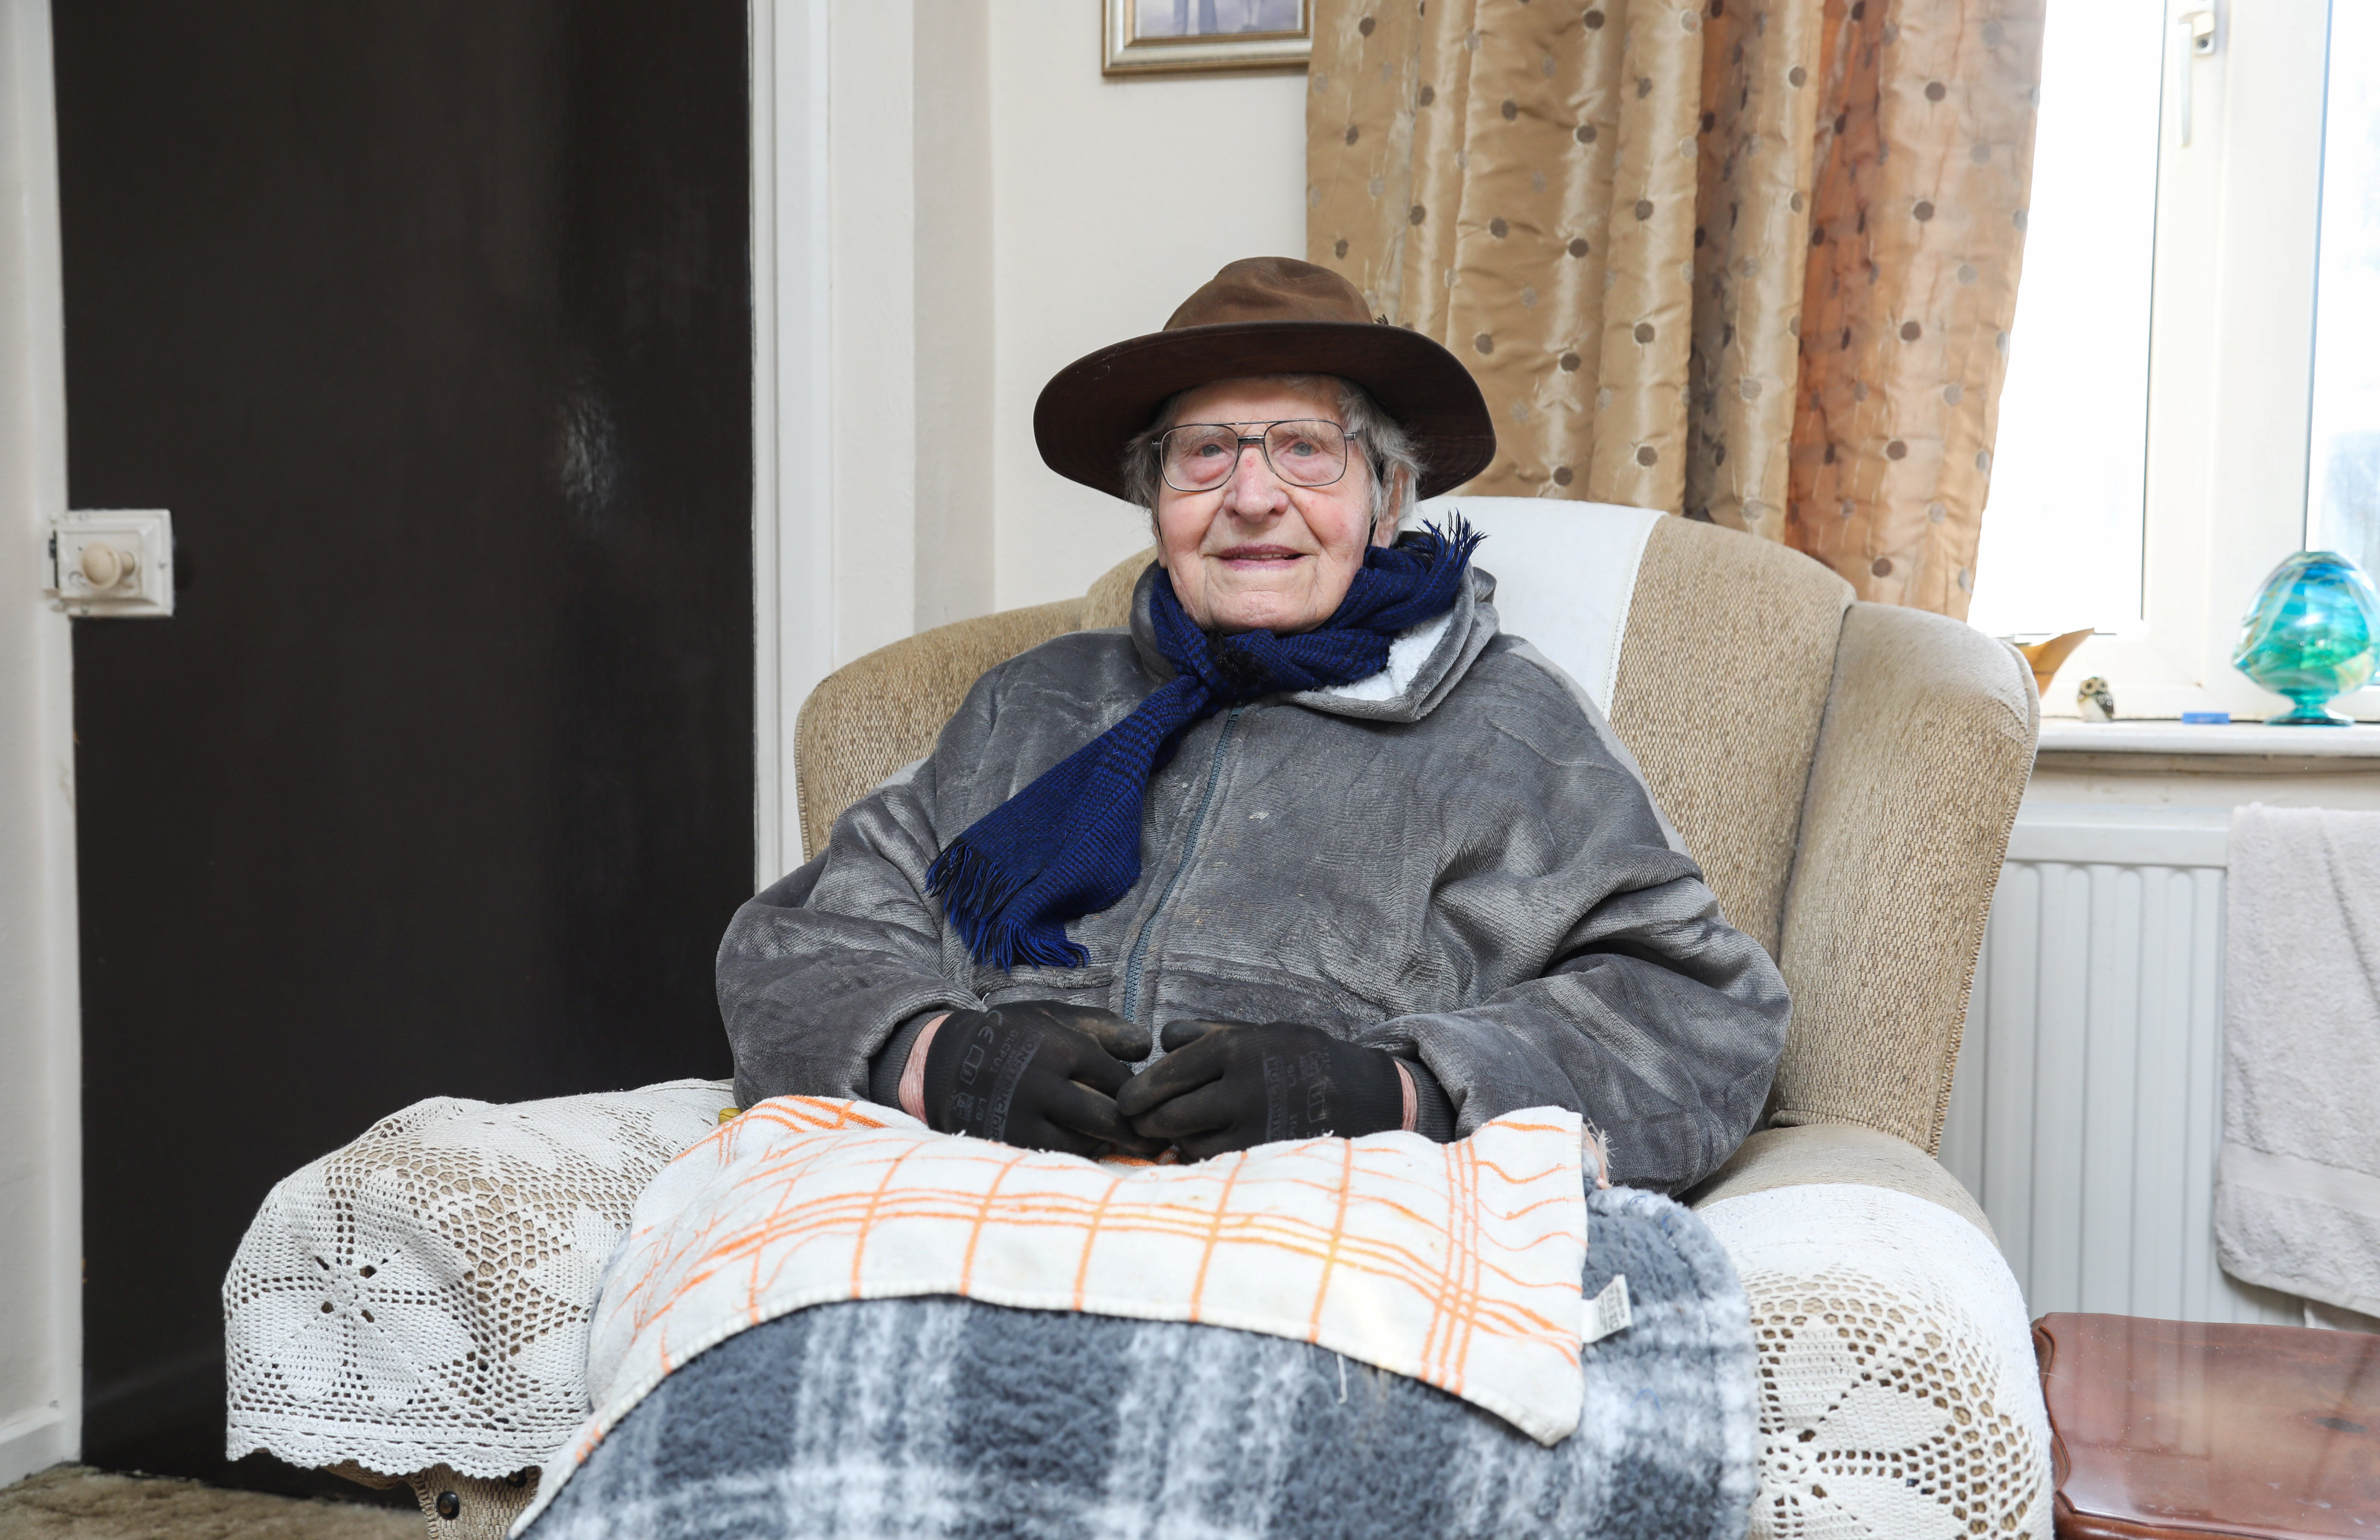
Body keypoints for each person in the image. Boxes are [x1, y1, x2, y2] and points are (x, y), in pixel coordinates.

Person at [718, 256, 1788, 1195]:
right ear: (1156, 500)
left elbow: (1699, 1015)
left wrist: (1388, 1091)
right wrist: (940, 1056)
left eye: (1305, 449)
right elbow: (801, 943)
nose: (1252, 496)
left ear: (1388, 494)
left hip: (1328, 1232)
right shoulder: (1030, 704)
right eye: (1205, 453)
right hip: (975, 1198)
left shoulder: (1508, 725)